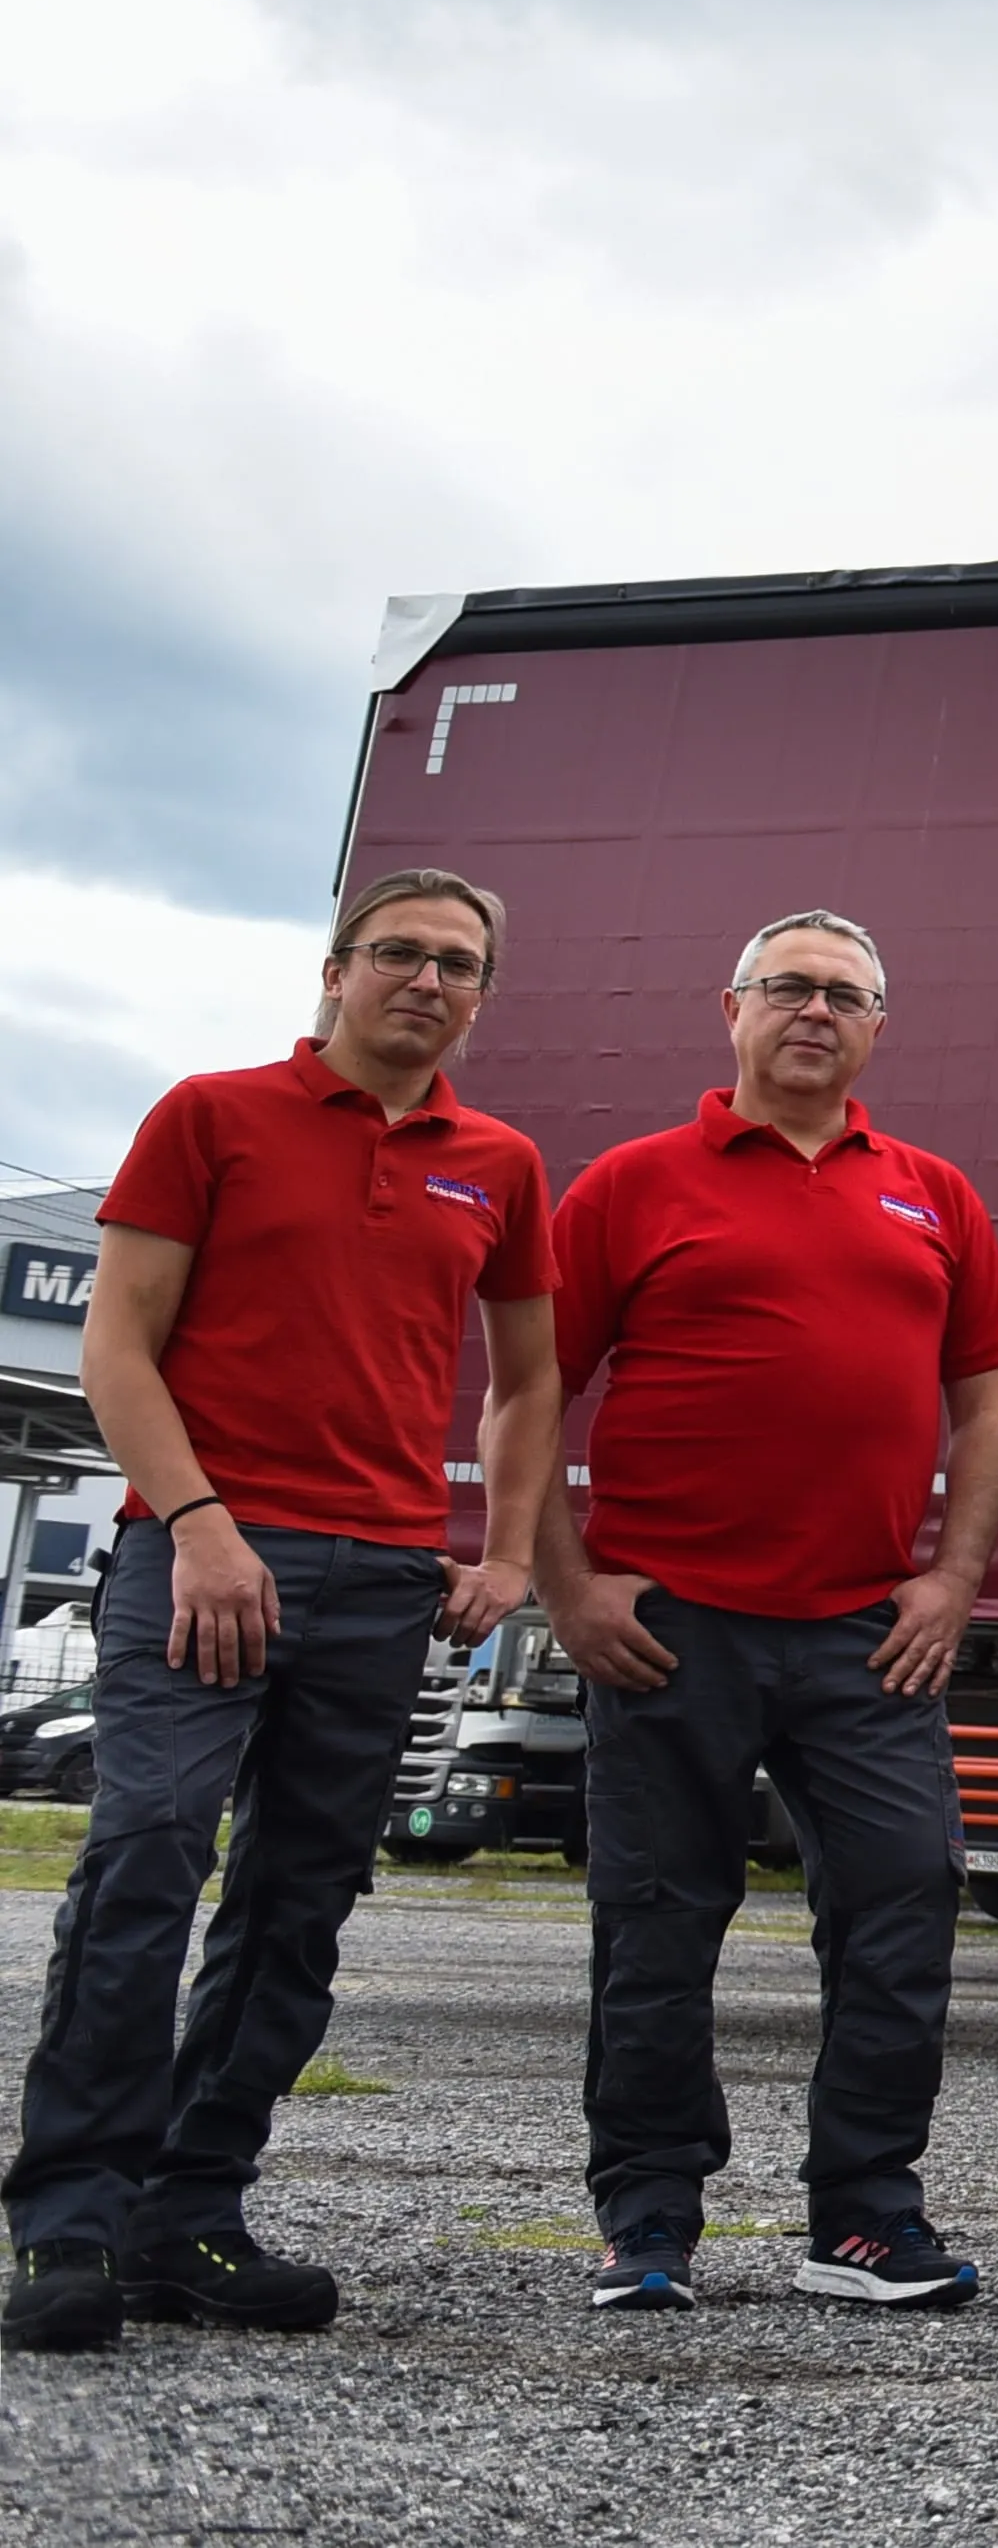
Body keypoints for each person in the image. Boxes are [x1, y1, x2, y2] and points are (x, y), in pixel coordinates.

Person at [7, 872, 568, 2354]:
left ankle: (191, 2212)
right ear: (335, 969)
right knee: (145, 1855)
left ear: (483, 992)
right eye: (402, 952)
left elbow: (526, 1380)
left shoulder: (499, 1160)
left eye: (461, 962)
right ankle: (68, 2220)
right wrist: (197, 1524)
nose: (428, 979)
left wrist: (505, 1552)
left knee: (298, 1900)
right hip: (200, 1556)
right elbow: (115, 1342)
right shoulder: (211, 1113)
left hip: (383, 1576)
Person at [534, 911, 998, 2313]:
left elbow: (987, 1397)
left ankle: (865, 2216)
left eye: (846, 993)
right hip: (670, 1623)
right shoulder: (632, 1184)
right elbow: (531, 1391)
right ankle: (648, 2217)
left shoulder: (935, 1193)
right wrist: (566, 1579)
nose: (817, 1008)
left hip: (864, 1628)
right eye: (790, 986)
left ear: (879, 1026)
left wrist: (951, 1577)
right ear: (732, 1008)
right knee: (656, 1920)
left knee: (903, 1898)